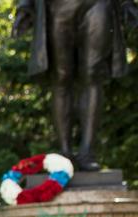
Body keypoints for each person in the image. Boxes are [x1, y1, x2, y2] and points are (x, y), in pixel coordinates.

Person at [12, 0, 137, 171]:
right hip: (57, 7)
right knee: (61, 77)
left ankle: (87, 152)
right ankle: (65, 151)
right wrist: (25, 5)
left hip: (97, 4)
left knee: (92, 74)